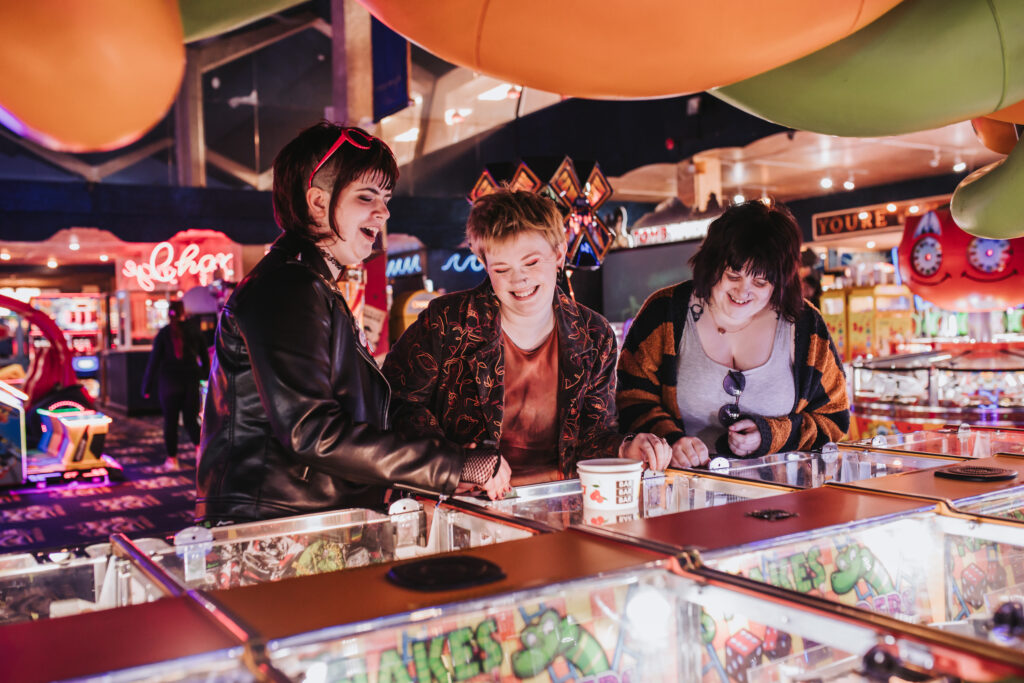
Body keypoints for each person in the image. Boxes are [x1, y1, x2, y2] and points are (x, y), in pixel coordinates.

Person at [197, 122, 510, 524]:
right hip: (276, 529)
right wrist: (455, 465)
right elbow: (314, 432)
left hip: (299, 518)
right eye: (367, 196)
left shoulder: (309, 283)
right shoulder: (288, 287)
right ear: (316, 201)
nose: (383, 211)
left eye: (386, 198)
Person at [382, 188, 670, 487]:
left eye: (531, 263)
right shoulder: (447, 321)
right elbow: (394, 403)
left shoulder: (595, 335)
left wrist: (625, 448)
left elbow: (592, 436)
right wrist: (455, 463)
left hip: (561, 502)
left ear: (559, 254)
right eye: (502, 269)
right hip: (469, 505)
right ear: (484, 264)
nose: (519, 280)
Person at [617, 200, 849, 465]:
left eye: (761, 282)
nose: (743, 292)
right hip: (680, 492)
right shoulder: (665, 312)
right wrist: (669, 440)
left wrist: (771, 435)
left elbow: (834, 418)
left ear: (780, 282)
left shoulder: (806, 326)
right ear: (712, 264)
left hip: (780, 494)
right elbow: (630, 399)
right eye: (733, 275)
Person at [142, 300, 209, 469]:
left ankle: (172, 459)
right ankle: (200, 452)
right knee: (191, 420)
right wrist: (206, 378)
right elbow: (205, 358)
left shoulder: (164, 333)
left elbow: (154, 361)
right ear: (184, 312)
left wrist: (146, 387)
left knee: (170, 422)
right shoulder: (194, 330)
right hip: (191, 380)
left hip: (169, 382)